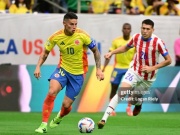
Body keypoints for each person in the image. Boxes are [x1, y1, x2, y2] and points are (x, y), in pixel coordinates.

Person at [34, 12, 104, 133]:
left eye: (76, 24)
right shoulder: (55, 36)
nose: (74, 27)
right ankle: (43, 125)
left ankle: (59, 116)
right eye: (71, 24)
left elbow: (96, 51)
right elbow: (45, 52)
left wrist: (98, 69)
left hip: (78, 74)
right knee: (51, 91)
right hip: (62, 70)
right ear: (64, 23)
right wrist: (38, 67)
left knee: (66, 105)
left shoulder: (83, 35)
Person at [97, 19, 172, 129]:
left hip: (148, 77)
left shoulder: (158, 42)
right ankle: (103, 119)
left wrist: (152, 68)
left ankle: (138, 103)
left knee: (133, 100)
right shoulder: (136, 37)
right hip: (135, 71)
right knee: (121, 93)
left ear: (152, 30)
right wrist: (112, 52)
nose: (145, 31)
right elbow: (125, 47)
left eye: (147, 29)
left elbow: (168, 60)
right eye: (143, 28)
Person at [102, 23, 135, 116]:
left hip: (129, 68)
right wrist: (104, 67)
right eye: (124, 28)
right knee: (114, 88)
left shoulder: (134, 41)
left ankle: (129, 107)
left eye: (128, 28)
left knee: (131, 88)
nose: (126, 30)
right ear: (122, 30)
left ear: (130, 30)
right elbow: (109, 54)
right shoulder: (116, 41)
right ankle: (111, 109)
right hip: (118, 68)